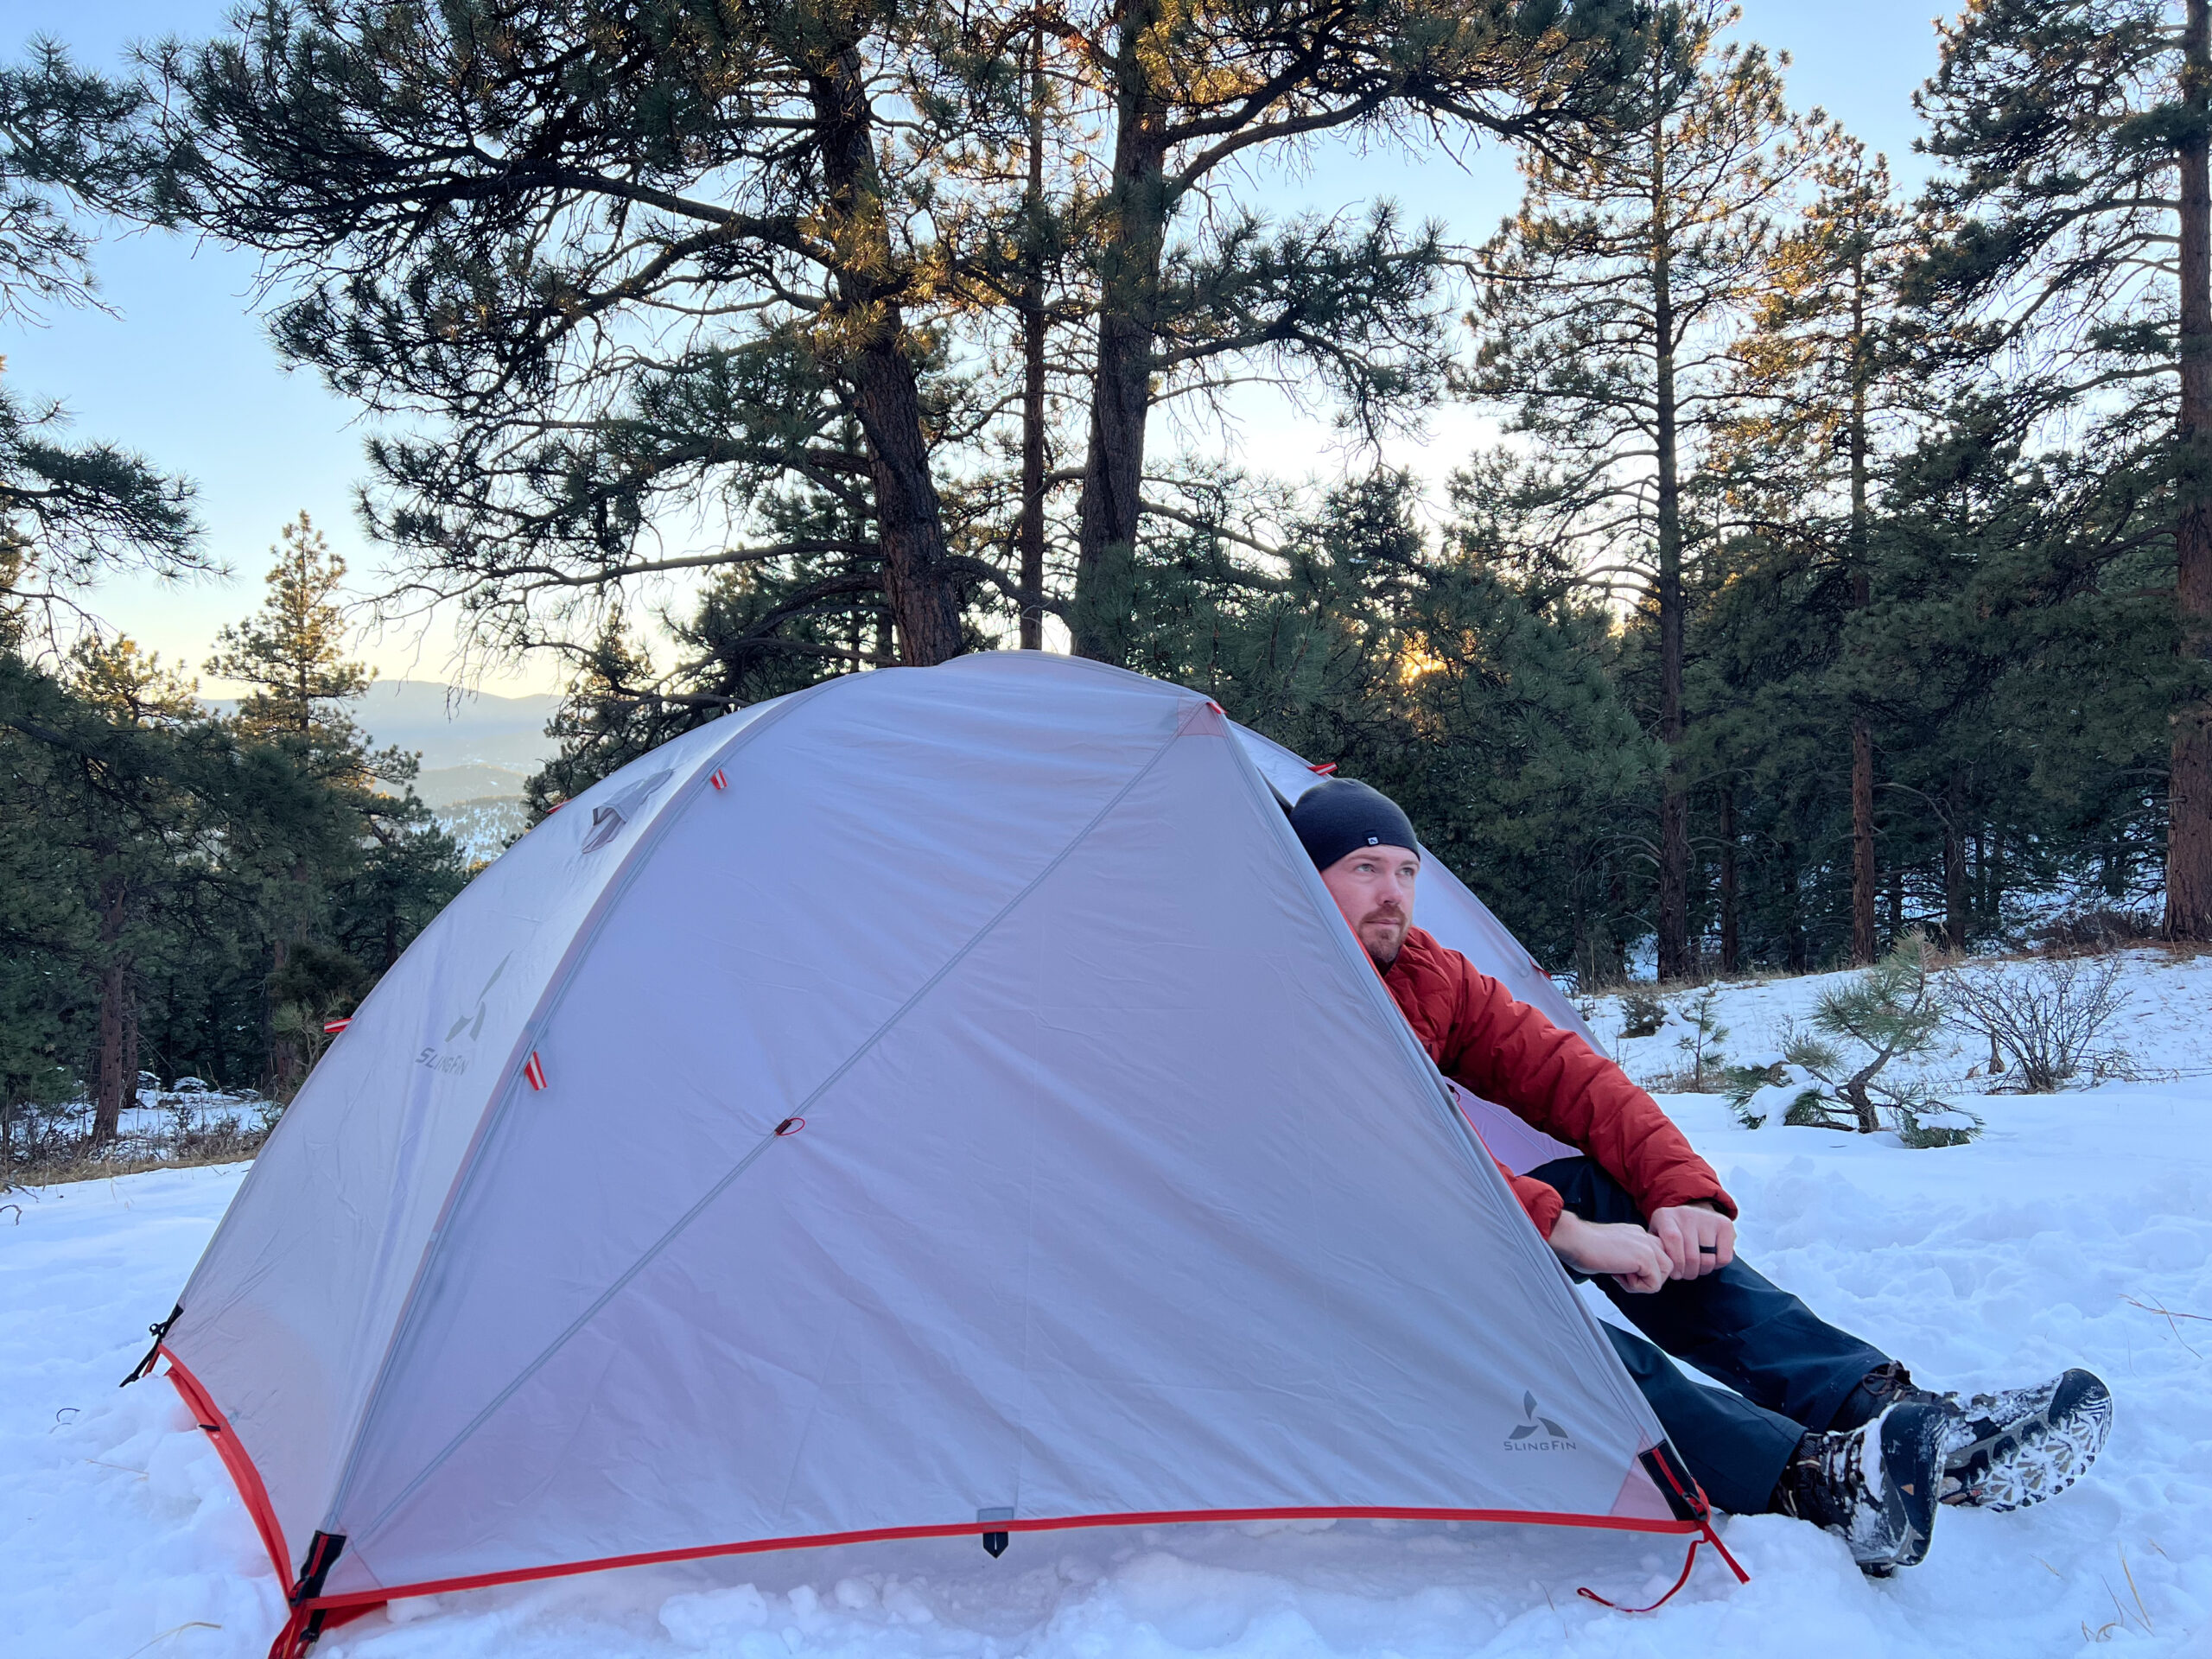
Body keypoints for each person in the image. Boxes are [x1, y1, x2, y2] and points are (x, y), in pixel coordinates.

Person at [1287, 777, 2112, 1574]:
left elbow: (1573, 1078)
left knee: (1604, 1183)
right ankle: (1807, 1480)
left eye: (1405, 870)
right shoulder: (1283, 990)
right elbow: (1395, 1152)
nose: (1393, 893)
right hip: (1314, 1264)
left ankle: (1891, 1416)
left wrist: (1676, 1190)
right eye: (1364, 869)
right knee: (1523, 1312)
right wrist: (1567, 1234)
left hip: (1420, 1221)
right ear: (1298, 877)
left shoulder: (1423, 973)